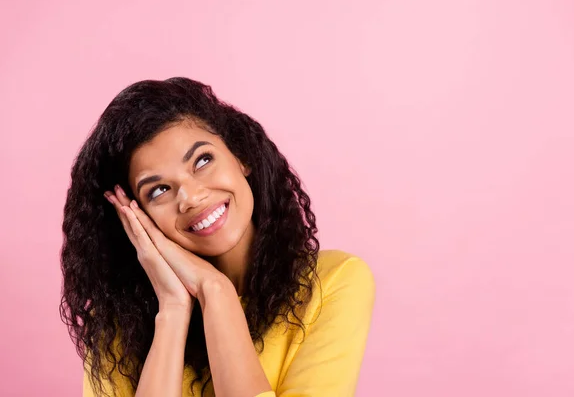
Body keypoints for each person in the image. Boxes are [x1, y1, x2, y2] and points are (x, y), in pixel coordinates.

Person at [60, 77, 376, 397]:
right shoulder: (117, 328)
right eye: (158, 190)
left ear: (241, 157)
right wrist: (172, 309)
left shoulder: (334, 281)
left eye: (202, 160)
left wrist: (215, 290)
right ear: (136, 215)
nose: (191, 197)